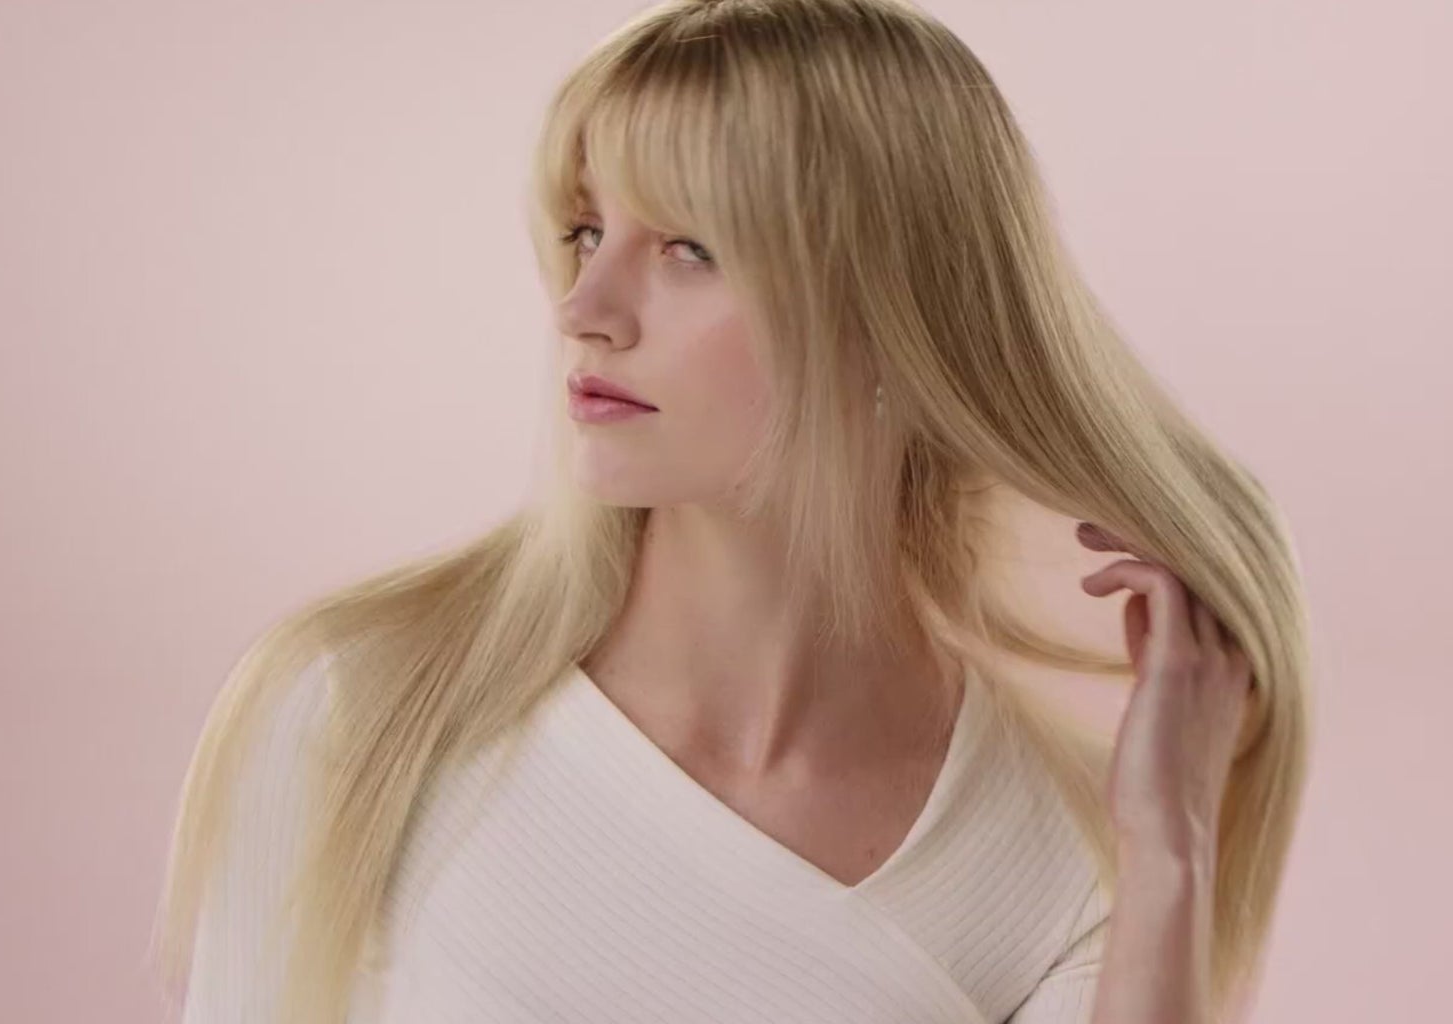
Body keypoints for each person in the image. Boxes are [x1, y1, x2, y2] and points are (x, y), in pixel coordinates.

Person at [150, 1, 1311, 1022]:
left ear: (891, 324)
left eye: (688, 248)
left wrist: (1170, 853)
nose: (585, 308)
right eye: (585, 231)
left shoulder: (1058, 849)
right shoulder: (360, 712)